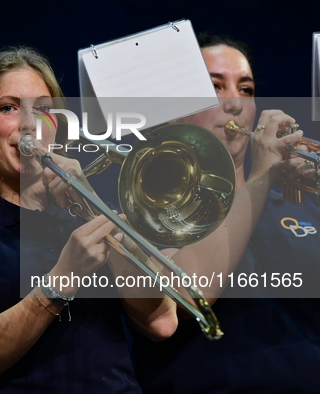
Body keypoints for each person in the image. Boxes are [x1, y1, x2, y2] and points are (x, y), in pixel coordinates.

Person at [0, 46, 178, 393]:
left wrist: (92, 207)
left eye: (43, 109)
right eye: (8, 108)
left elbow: (162, 322)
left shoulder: (86, 212)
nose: (29, 123)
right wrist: (64, 277)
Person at [131, 33, 320, 393]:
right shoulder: (147, 206)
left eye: (246, 89)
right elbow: (189, 298)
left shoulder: (298, 200)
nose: (234, 102)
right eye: (213, 87)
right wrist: (262, 178)